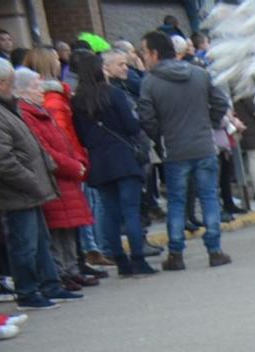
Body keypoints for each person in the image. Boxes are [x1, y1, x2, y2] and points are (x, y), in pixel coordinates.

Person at [0, 56, 82, 309]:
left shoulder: (2, 106)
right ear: (1, 82)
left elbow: (28, 143)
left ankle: (50, 285)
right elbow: (0, 157)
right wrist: (31, 180)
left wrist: (43, 168)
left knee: (39, 242)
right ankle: (28, 292)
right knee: (24, 244)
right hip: (17, 191)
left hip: (30, 186)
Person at [136, 28, 232, 268]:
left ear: (155, 53)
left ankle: (176, 253)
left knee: (177, 201)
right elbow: (220, 102)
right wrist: (208, 122)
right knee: (209, 197)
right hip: (203, 144)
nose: (143, 57)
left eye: (144, 52)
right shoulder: (199, 74)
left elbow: (146, 117)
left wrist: (160, 137)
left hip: (175, 148)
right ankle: (214, 249)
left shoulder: (150, 82)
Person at [13, 67, 98, 290]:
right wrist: (73, 165)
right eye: (34, 86)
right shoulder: (28, 115)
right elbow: (46, 150)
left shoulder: (42, 112)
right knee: (57, 230)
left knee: (69, 228)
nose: (40, 90)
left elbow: (65, 140)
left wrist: (79, 160)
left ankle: (71, 269)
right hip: (55, 178)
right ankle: (61, 273)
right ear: (20, 91)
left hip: (66, 177)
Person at [72, 50, 152, 275]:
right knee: (131, 211)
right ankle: (138, 259)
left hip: (98, 160)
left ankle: (121, 261)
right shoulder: (113, 94)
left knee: (110, 213)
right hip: (123, 157)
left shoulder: (77, 101)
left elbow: (80, 135)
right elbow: (131, 126)